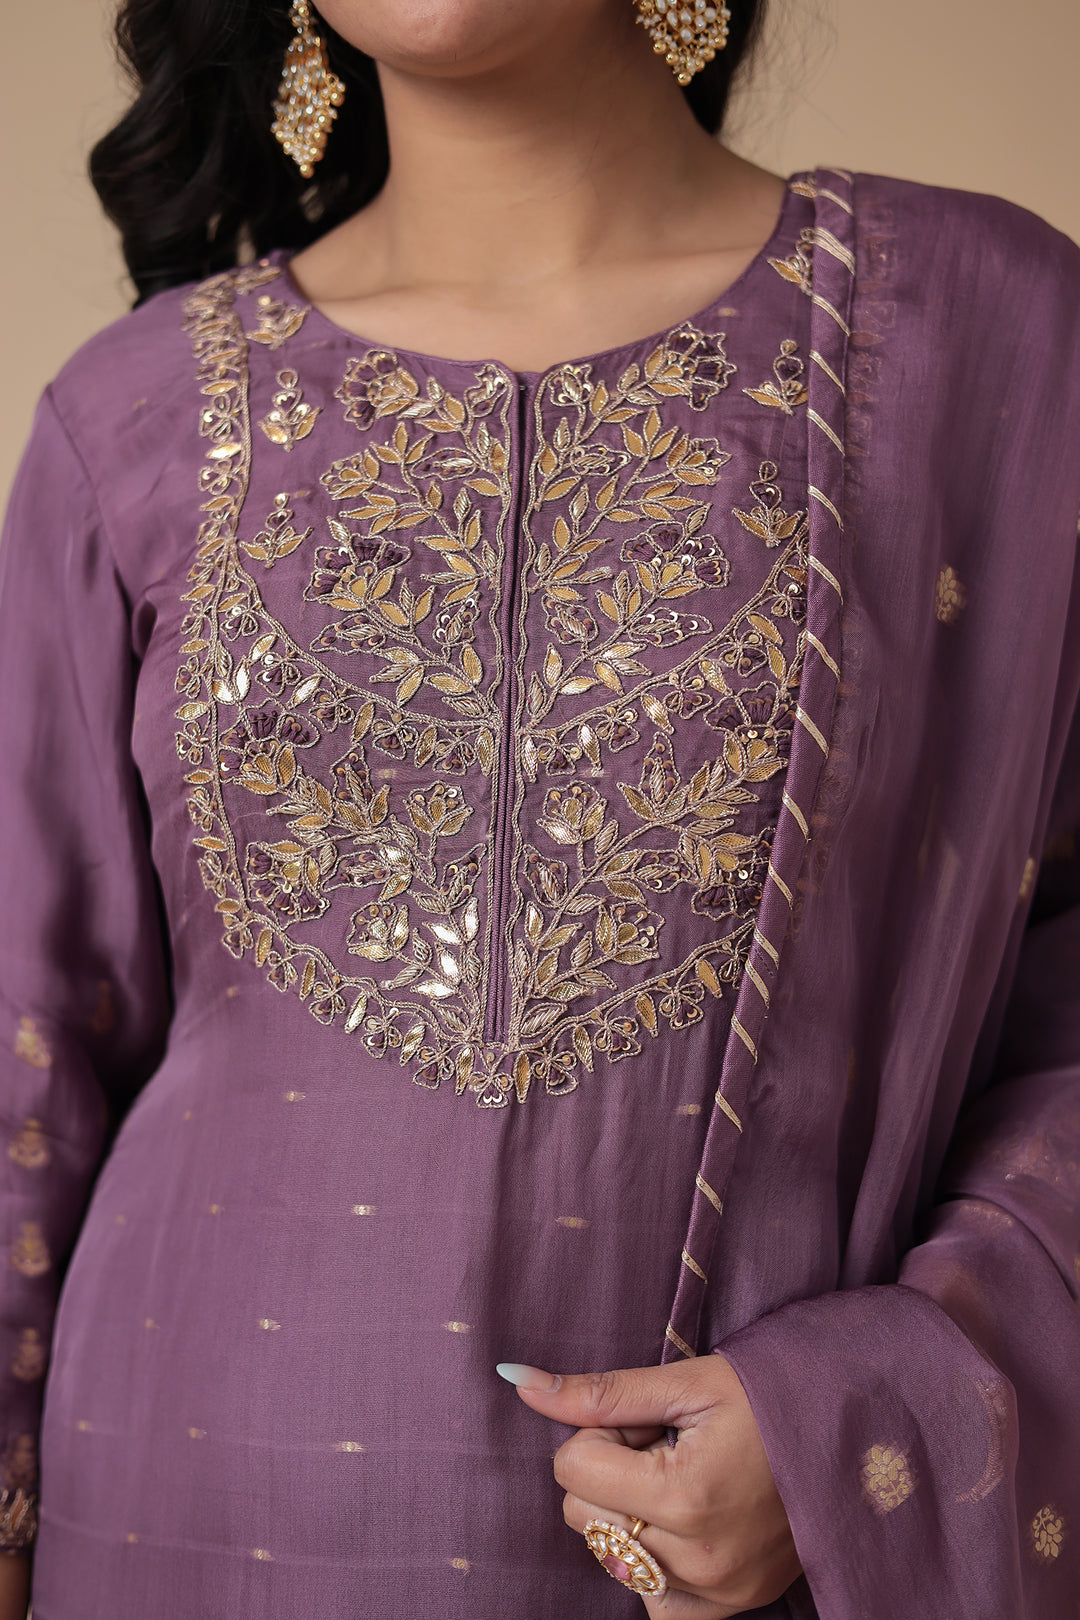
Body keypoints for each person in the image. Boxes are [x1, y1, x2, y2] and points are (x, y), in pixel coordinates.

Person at [1, 0, 1078, 1615]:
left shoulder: (990, 336)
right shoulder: (130, 415)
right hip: (171, 1518)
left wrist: (856, 1414)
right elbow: (22, 1049)